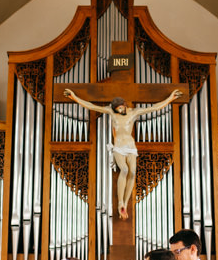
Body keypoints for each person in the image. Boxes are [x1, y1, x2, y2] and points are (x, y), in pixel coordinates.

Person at [63, 87, 182, 219]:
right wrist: (74, 97)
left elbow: (154, 108)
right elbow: (91, 106)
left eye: (121, 108)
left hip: (131, 146)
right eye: (117, 109)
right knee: (124, 170)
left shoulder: (134, 112)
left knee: (132, 173)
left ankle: (124, 203)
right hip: (119, 146)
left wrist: (170, 98)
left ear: (124, 106)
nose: (120, 111)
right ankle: (120, 202)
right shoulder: (111, 112)